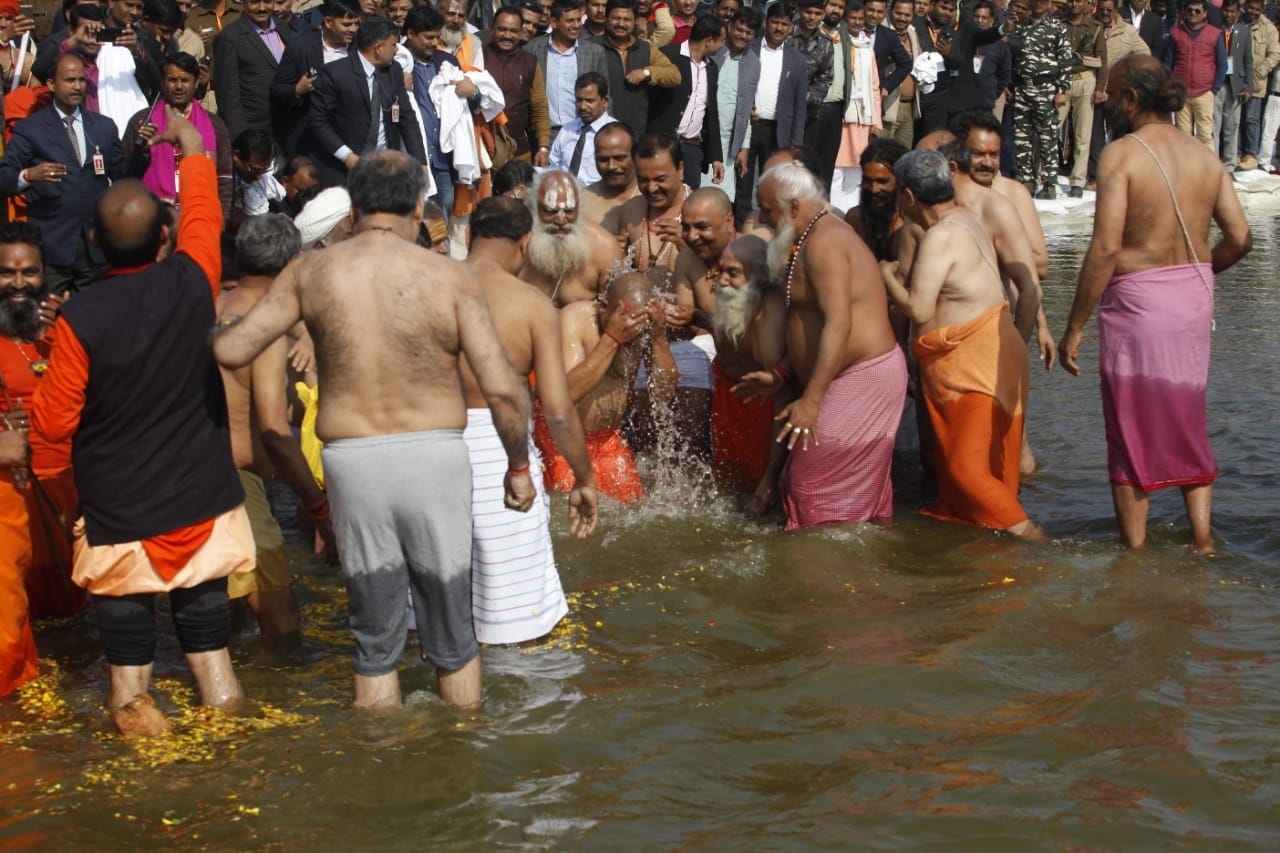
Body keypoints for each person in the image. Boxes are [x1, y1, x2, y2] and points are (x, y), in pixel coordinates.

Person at [212, 150, 536, 711]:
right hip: (435, 458)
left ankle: (380, 760)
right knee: (453, 631)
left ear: (355, 208)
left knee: (375, 633)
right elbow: (505, 390)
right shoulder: (449, 277)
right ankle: (460, 753)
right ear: (417, 205)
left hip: (353, 461)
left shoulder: (310, 272)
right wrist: (518, 467)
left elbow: (235, 346)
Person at [32, 110, 252, 736]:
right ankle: (231, 779)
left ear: (95, 246)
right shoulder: (193, 281)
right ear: (165, 238)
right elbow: (205, 215)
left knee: (128, 681)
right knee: (213, 662)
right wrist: (190, 149)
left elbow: (51, 430)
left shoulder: (81, 318)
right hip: (202, 505)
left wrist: (67, 504)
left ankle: (146, 795)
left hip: (118, 517)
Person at [1058, 56, 1250, 553]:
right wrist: (1197, 272)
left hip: (1139, 304)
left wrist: (1075, 326)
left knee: (1128, 426)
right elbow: (1241, 237)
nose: (1109, 104)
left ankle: (1135, 553)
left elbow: (1103, 249)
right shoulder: (1205, 156)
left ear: (1131, 100)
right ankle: (1203, 540)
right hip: (1193, 299)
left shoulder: (1121, 154)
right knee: (1186, 416)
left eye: (1112, 95)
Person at [880, 149, 1040, 539]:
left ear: (909, 197)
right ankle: (993, 566)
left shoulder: (941, 235)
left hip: (975, 363)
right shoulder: (967, 218)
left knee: (966, 471)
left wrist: (885, 276)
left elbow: (919, 307)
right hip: (992, 350)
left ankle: (1039, 545)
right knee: (987, 471)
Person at [464, 197, 598, 644]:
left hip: (424, 441)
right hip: (498, 452)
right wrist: (583, 477)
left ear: (469, 235)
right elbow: (557, 411)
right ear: (525, 244)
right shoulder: (530, 304)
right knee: (519, 621)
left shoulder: (426, 288)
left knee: (440, 617)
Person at [755, 162, 906, 530]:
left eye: (767, 210)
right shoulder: (808, 237)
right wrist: (784, 372)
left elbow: (839, 324)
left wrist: (811, 400)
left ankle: (822, 577)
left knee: (810, 484)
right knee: (824, 491)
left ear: (793, 207)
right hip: (846, 377)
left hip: (863, 377)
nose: (762, 219)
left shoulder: (825, 241)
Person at [216, 215, 335, 643]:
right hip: (239, 487)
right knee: (282, 625)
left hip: (198, 481)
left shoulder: (214, 309)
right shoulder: (260, 326)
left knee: (220, 617)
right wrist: (319, 508)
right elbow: (272, 430)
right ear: (289, 267)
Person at [540, 271, 676, 502]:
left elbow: (664, 392)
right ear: (603, 306)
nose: (633, 331)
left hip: (608, 441)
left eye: (640, 326)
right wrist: (612, 339)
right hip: (562, 440)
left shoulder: (643, 325)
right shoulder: (574, 319)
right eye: (628, 322)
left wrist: (659, 337)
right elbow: (565, 395)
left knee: (631, 510)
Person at [0, 54, 127, 295]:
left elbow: (124, 175)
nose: (77, 86)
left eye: (81, 80)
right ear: (50, 84)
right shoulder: (31, 129)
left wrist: (142, 151)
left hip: (95, 246)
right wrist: (28, 175)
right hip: (52, 246)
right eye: (70, 80)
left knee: (92, 321)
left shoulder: (103, 127)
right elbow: (4, 178)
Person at [707, 234, 790, 503]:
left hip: (761, 410)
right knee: (730, 489)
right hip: (728, 397)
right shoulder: (739, 299)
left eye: (733, 273)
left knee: (759, 492)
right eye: (721, 271)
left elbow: (782, 398)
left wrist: (770, 477)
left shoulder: (770, 317)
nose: (722, 281)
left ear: (760, 276)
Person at [308, 16, 426, 184]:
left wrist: (419, 162)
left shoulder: (393, 71)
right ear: (378, 48)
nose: (397, 50)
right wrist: (348, 157)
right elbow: (318, 122)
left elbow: (407, 118)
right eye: (393, 45)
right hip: (344, 169)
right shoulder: (335, 73)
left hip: (385, 168)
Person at [124, 52, 234, 216]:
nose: (179, 87)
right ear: (162, 82)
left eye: (185, 80)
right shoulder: (142, 121)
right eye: (172, 80)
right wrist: (142, 153)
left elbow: (224, 179)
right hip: (154, 218)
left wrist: (221, 220)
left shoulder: (215, 125)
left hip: (200, 215)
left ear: (197, 82)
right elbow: (124, 175)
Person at [726, 4, 804, 222]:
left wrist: (795, 144)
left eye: (784, 24)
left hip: (777, 131)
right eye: (775, 22)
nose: (779, 28)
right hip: (749, 129)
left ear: (790, 27)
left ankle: (768, 227)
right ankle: (740, 225)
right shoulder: (748, 49)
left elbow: (800, 106)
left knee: (772, 184)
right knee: (742, 182)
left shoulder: (797, 60)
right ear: (765, 22)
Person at [270, 0, 360, 160]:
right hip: (308, 141)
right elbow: (277, 89)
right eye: (346, 25)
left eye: (356, 24)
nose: (352, 30)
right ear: (328, 22)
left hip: (350, 139)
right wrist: (297, 90)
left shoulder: (359, 48)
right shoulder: (300, 47)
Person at [520, 169, 623, 306]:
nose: (561, 221)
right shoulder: (518, 248)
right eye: (551, 211)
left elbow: (618, 309)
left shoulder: (604, 247)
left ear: (580, 208)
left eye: (569, 211)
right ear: (535, 209)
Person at [648, 14, 727, 189]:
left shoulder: (712, 68)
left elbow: (711, 113)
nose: (723, 46)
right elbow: (650, 100)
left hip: (692, 149)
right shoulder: (668, 56)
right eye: (721, 41)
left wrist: (716, 157)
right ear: (708, 40)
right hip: (662, 146)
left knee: (689, 202)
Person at [1012, 0, 1073, 198]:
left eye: (1043, 1)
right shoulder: (1021, 26)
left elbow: (1065, 59)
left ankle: (1049, 183)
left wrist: (1062, 89)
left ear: (1050, 4)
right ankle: (1026, 180)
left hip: (1045, 89)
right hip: (1022, 88)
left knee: (1047, 137)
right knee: (1022, 138)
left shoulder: (1057, 28)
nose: (1038, 4)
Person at [524, 0, 609, 140]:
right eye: (570, 21)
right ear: (554, 23)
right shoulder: (533, 49)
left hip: (584, 132)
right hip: (544, 136)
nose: (576, 25)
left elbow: (605, 95)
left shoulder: (595, 52)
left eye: (578, 20)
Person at [596, 0, 679, 135]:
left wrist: (646, 72)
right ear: (606, 19)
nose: (621, 24)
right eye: (616, 18)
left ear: (635, 21)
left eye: (627, 19)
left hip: (635, 131)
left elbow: (674, 75)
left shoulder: (645, 49)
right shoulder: (591, 47)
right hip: (599, 131)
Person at [484, 6, 552, 167]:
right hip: (484, 152)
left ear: (521, 32)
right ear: (492, 29)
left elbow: (540, 107)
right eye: (502, 29)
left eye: (514, 31)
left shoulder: (530, 62)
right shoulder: (478, 56)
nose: (507, 36)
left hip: (520, 153)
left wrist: (543, 147)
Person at [212, 0, 284, 141]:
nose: (262, 8)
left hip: (286, 128)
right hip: (254, 131)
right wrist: (242, 138)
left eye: (267, 2)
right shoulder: (230, 38)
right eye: (255, 2)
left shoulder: (283, 28)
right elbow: (227, 97)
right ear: (244, 3)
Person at [1164, 0, 1224, 149]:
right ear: (1184, 12)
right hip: (1182, 93)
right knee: (1183, 136)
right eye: (1189, 10)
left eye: (1197, 11)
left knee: (1205, 135)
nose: (1192, 14)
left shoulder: (1214, 34)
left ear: (1204, 14)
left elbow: (1222, 64)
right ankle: (1186, 170)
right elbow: (1168, 63)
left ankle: (1209, 171)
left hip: (1204, 93)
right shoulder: (1176, 33)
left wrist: (1213, 90)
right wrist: (1173, 88)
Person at [1059, 0, 1104, 197]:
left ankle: (1078, 181)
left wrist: (1100, 88)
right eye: (1071, 0)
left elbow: (1103, 59)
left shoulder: (1094, 28)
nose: (1075, 4)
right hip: (1062, 81)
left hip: (1085, 80)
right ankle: (1045, 177)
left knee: (1082, 134)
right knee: (1051, 130)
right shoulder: (1058, 25)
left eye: (1079, 0)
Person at [844, 135, 908, 260]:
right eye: (867, 180)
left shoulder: (911, 224)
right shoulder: (854, 219)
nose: (874, 189)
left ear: (900, 180)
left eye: (882, 181)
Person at [548, 71, 616, 184]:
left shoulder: (616, 134)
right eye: (579, 100)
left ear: (605, 101)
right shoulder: (567, 130)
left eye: (590, 101)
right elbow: (554, 166)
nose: (583, 106)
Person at [1236, 0, 1279, 169]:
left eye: (1257, 9)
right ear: (1245, 7)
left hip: (1257, 82)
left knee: (1251, 119)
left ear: (1262, 10)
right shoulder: (1237, 23)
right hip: (1236, 80)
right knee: (1235, 119)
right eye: (1250, 8)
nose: (1253, 12)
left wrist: (1260, 72)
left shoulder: (1268, 28)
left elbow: (1275, 55)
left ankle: (1250, 154)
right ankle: (1236, 153)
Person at [1213, 0, 1253, 171]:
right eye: (1225, 11)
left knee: (1232, 127)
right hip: (1216, 84)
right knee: (1213, 127)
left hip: (1235, 84)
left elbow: (1248, 62)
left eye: (1232, 12)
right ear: (1221, 11)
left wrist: (1249, 86)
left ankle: (1229, 166)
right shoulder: (1213, 29)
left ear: (1238, 12)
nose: (1228, 15)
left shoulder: (1244, 32)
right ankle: (1213, 164)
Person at [585, 120, 639, 220]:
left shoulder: (651, 197)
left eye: (619, 158)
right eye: (603, 159)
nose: (611, 166)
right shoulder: (583, 200)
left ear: (635, 156)